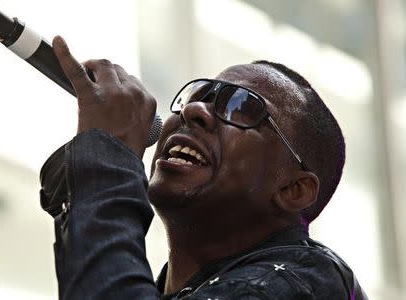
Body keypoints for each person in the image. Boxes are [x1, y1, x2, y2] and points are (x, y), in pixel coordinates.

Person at [39, 35, 368, 299]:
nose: (194, 109)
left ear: (293, 190)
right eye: (200, 94)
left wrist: (107, 158)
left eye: (240, 106)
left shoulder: (303, 281)